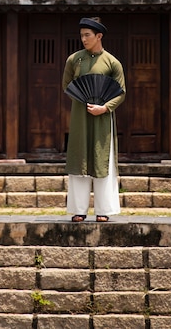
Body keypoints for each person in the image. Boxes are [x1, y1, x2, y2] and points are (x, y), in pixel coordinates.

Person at [63, 16, 126, 222]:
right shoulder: (74, 60)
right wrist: (81, 97)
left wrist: (105, 108)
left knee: (102, 160)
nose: (83, 39)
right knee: (79, 159)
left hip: (102, 119)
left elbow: (121, 92)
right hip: (80, 117)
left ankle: (103, 210)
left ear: (99, 36)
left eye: (87, 35)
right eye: (81, 35)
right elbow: (67, 85)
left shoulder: (112, 62)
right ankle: (78, 210)